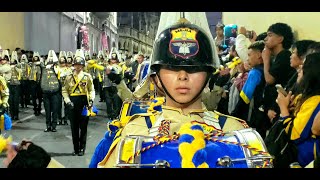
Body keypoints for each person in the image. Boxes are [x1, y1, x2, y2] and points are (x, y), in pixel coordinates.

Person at [97, 18, 248, 168]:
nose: (182, 76)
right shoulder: (135, 131)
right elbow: (133, 99)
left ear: (208, 74)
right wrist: (119, 82)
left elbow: (209, 102)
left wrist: (218, 88)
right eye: (172, 67)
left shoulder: (235, 131)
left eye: (194, 68)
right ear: (157, 76)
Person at [276, 52, 320, 167]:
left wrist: (283, 108)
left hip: (301, 159)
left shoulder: (315, 101)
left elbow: (295, 135)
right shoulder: (305, 96)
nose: (299, 68)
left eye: (304, 66)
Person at [62, 49, 95, 156]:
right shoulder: (68, 77)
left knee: (84, 127)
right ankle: (75, 149)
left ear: (83, 65)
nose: (78, 67)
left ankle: (82, 148)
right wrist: (67, 101)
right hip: (72, 103)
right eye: (76, 65)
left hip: (84, 103)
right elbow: (64, 90)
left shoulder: (87, 77)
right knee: (74, 127)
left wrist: (91, 100)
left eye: (80, 65)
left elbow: (91, 90)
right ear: (74, 65)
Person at [40, 50, 60, 132]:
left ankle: (54, 126)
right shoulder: (44, 68)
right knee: (47, 111)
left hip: (55, 92)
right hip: (46, 92)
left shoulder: (57, 69)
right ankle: (48, 125)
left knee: (55, 110)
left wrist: (55, 65)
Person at [8, 51, 21, 120]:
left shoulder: (18, 66)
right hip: (10, 85)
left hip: (16, 86)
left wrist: (15, 67)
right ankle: (12, 115)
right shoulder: (8, 67)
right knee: (10, 101)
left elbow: (20, 72)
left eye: (13, 62)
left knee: (16, 101)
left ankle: (16, 115)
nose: (12, 63)